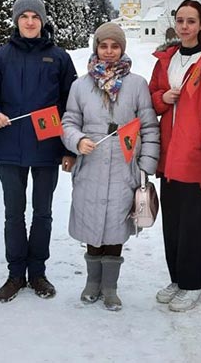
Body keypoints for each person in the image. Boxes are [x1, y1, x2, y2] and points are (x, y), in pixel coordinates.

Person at [0, 0, 77, 302]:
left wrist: (68, 149)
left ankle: (37, 272)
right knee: (13, 213)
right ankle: (15, 274)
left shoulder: (59, 57)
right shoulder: (1, 56)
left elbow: (71, 105)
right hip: (10, 146)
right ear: (16, 21)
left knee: (43, 212)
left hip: (47, 146)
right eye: (24, 17)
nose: (30, 21)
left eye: (35, 16)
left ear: (43, 20)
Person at [61, 23, 160, 311]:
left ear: (122, 49)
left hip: (124, 168)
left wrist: (145, 166)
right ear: (96, 48)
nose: (109, 52)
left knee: (116, 228)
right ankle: (92, 282)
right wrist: (77, 141)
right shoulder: (80, 86)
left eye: (114, 46)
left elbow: (149, 126)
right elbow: (68, 122)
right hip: (90, 167)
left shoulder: (137, 84)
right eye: (103, 46)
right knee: (93, 226)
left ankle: (110, 287)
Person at [148, 0, 201, 312]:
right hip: (168, 152)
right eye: (180, 20)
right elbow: (152, 98)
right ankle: (177, 277)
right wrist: (163, 97)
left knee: (194, 223)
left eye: (191, 21)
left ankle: (194, 284)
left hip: (195, 153)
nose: (185, 26)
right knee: (172, 221)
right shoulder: (165, 60)